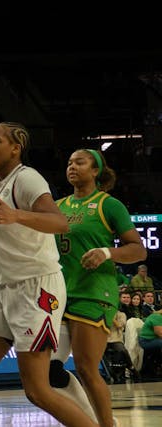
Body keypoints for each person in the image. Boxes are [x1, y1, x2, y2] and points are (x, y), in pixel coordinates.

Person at [0, 122, 96, 427]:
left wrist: (16, 214)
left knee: (37, 390)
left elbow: (59, 222)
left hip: (36, 289)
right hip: (0, 286)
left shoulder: (28, 179)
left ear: (15, 148)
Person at [50, 148, 145, 426]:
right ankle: (93, 422)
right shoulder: (57, 206)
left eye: (80, 162)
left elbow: (139, 250)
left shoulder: (108, 205)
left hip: (94, 294)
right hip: (60, 295)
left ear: (95, 171)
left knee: (86, 368)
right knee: (49, 372)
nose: (72, 166)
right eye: (69, 162)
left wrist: (107, 252)